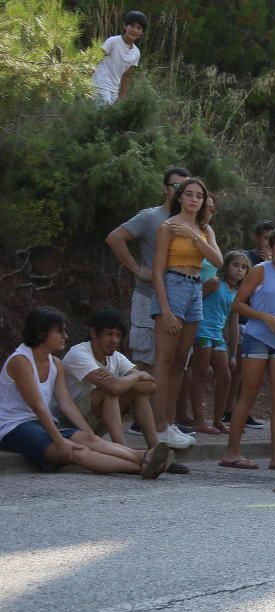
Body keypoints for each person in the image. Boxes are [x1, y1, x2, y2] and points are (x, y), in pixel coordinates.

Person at [1, 307, 172, 478]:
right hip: (15, 428)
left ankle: (143, 457)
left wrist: (88, 434)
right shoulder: (21, 361)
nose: (65, 337)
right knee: (75, 452)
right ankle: (140, 466)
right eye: (59, 332)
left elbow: (66, 403)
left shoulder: (56, 363)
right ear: (41, 334)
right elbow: (38, 406)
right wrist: (60, 441)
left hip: (43, 423)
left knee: (89, 440)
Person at [105, 166, 194, 443]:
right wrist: (136, 268)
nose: (179, 192)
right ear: (165, 188)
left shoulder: (190, 220)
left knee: (175, 363)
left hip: (180, 299)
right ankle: (135, 424)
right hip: (148, 297)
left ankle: (164, 422)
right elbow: (115, 238)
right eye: (175, 186)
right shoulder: (150, 217)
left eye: (185, 187)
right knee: (146, 361)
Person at [57, 307, 187, 474]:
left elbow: (151, 386)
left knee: (137, 392)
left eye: (118, 336)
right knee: (110, 391)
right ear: (94, 333)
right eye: (109, 334)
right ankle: (125, 452)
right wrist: (137, 375)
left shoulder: (116, 357)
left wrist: (126, 379)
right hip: (70, 421)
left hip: (95, 420)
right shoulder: (79, 353)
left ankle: (155, 451)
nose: (114, 340)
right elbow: (114, 387)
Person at [150, 177, 223, 447]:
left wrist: (194, 237)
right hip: (173, 284)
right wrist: (166, 310)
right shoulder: (167, 227)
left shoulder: (204, 230)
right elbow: (157, 272)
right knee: (165, 359)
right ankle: (158, 427)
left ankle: (169, 423)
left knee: (182, 359)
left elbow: (218, 261)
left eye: (199, 196)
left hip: (196, 288)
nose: (194, 199)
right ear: (179, 197)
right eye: (189, 194)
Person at [222, 226, 275, 471]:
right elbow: (238, 304)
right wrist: (266, 318)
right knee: (249, 393)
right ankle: (232, 453)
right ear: (271, 247)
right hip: (257, 336)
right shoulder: (259, 271)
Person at [221, 219, 275, 430]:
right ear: (257, 237)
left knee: (251, 374)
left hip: (260, 322)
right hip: (242, 320)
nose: (268, 242)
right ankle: (229, 410)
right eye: (265, 238)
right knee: (237, 371)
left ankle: (243, 411)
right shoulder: (246, 259)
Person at [189, 250, 248, 434]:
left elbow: (233, 324)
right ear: (226, 266)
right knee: (200, 374)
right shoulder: (215, 283)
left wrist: (233, 353)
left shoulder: (238, 293)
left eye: (244, 267)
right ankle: (199, 420)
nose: (239, 270)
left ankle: (218, 420)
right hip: (202, 331)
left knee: (225, 377)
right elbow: (194, 301)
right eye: (235, 265)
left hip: (218, 336)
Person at [92, 10, 146, 105]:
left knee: (111, 116)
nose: (134, 30)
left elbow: (127, 76)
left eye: (139, 28)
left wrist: (121, 98)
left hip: (114, 89)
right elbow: (94, 59)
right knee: (103, 116)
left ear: (142, 33)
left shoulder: (136, 52)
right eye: (132, 26)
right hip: (100, 84)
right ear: (125, 26)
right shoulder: (113, 41)